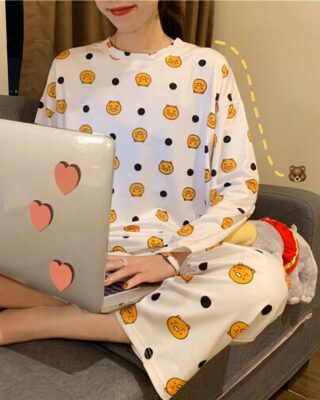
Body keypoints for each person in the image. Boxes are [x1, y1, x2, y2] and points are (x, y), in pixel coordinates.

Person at [0, 1, 291, 398]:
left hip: (176, 253)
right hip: (83, 253)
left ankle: (44, 319)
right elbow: (43, 175)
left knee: (264, 283)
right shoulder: (69, 66)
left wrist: (171, 259)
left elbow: (239, 185)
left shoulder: (208, 68)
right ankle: (84, 295)